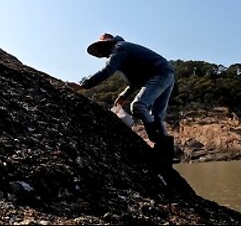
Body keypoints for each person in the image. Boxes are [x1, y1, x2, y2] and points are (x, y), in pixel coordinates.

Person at [69, 33, 176, 165]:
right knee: (157, 116)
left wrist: (83, 85)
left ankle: (159, 141)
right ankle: (166, 152)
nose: (101, 52)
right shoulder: (126, 54)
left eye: (102, 47)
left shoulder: (120, 48)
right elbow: (136, 82)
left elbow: (107, 71)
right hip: (166, 73)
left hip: (160, 73)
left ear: (109, 44)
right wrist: (123, 95)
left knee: (138, 106)